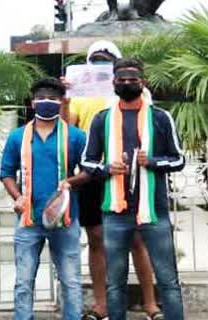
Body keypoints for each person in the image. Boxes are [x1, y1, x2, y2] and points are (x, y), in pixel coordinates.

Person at [63, 40, 162, 320]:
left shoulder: (136, 91)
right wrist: (66, 98)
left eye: (105, 60)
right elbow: (68, 127)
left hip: (128, 172)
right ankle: (101, 305)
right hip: (94, 172)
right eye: (95, 60)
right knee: (96, 239)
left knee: (136, 239)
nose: (99, 64)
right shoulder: (80, 94)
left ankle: (150, 303)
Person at [82, 58, 185, 320]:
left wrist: (150, 162)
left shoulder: (161, 118)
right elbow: (87, 161)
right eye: (122, 80)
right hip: (115, 212)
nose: (127, 84)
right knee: (115, 283)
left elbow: (179, 159)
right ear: (113, 83)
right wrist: (107, 169)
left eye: (133, 80)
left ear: (143, 83)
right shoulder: (102, 119)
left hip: (154, 212)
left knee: (168, 281)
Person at [0, 77, 87, 320]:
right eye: (41, 99)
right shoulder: (18, 136)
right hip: (28, 221)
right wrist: (17, 197)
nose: (46, 102)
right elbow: (6, 173)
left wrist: (71, 182)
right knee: (24, 282)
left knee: (70, 281)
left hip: (66, 220)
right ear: (32, 102)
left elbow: (90, 171)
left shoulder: (76, 136)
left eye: (52, 99)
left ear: (61, 102)